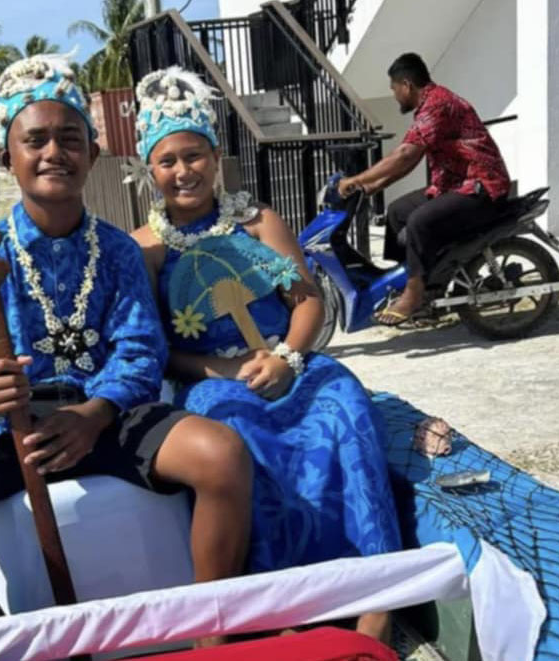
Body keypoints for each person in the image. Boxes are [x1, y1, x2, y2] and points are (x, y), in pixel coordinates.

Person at [0, 54, 252, 627]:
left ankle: (207, 636)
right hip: (12, 434)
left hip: (106, 416)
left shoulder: (119, 250)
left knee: (222, 455)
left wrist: (94, 414)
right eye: (37, 140)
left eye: (70, 138)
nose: (55, 152)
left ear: (93, 155)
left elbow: (140, 352)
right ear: (8, 157)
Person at [129, 66, 401, 643]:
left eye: (195, 155)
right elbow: (154, 347)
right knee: (233, 428)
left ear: (217, 155)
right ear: (149, 170)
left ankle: (377, 602)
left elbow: (307, 304)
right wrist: (222, 370)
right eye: (167, 160)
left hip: (293, 364)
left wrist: (287, 358)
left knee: (344, 405)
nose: (183, 171)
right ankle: (280, 611)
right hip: (209, 379)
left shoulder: (259, 224)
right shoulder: (144, 250)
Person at [339, 52, 511, 325]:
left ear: (406, 84)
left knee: (419, 221)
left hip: (480, 187)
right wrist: (372, 187)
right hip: (452, 185)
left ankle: (416, 293)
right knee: (397, 212)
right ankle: (404, 281)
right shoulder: (428, 106)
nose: (395, 95)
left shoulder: (438, 104)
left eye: (394, 89)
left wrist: (356, 180)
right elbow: (409, 161)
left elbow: (405, 153)